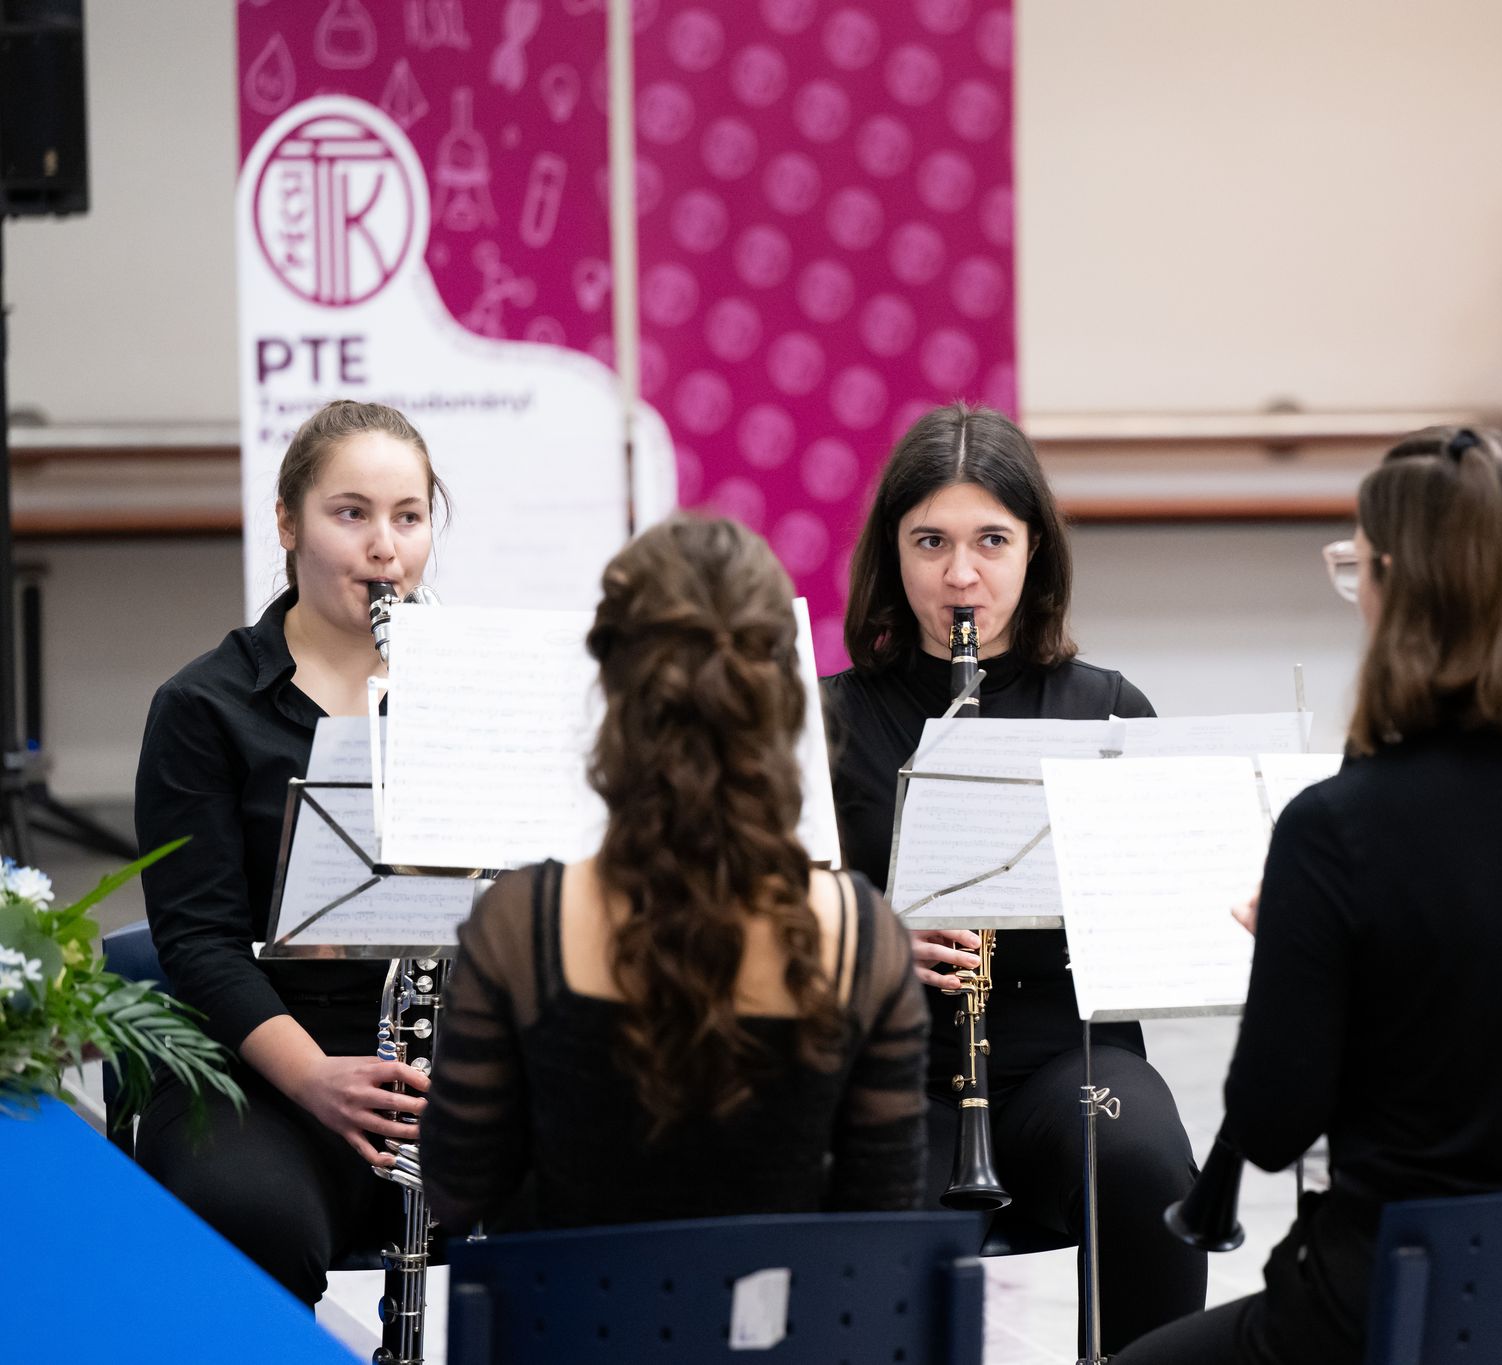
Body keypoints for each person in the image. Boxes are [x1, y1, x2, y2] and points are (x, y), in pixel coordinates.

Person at [1118, 427, 1502, 1365]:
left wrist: (1309, 958)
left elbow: (1271, 1125)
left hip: (1391, 1302)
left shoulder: (1338, 826)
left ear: (1402, 588)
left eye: (1360, 567)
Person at [820, 403, 1205, 1353]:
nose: (961, 575)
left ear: (1036, 550)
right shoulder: (825, 720)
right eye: (931, 542)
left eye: (991, 540)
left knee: (1145, 1159)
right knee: (859, 1201)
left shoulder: (1108, 711)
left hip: (1065, 1060)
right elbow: (766, 917)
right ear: (893, 553)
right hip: (885, 1064)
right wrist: (868, 934)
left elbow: (1165, 922)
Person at [423, 514, 928, 1230]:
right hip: (786, 1306)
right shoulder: (863, 936)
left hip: (570, 1304)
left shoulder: (519, 923)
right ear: (782, 694)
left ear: (615, 692)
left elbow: (458, 1191)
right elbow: (883, 1225)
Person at [134, 400, 451, 1305]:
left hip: (452, 1064)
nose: (384, 548)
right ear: (287, 523)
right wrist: (315, 1076)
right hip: (262, 1065)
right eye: (351, 513)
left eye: (408, 517)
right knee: (246, 1220)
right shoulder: (204, 706)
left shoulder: (471, 691)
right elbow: (198, 942)